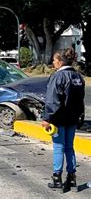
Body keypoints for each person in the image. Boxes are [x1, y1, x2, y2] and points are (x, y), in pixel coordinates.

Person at [41, 48, 85, 191]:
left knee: (58, 148)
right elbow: (80, 100)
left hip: (59, 119)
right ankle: (71, 178)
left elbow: (52, 101)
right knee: (69, 148)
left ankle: (57, 178)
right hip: (72, 118)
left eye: (54, 60)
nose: (53, 63)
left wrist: (47, 118)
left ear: (60, 62)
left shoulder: (58, 76)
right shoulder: (78, 77)